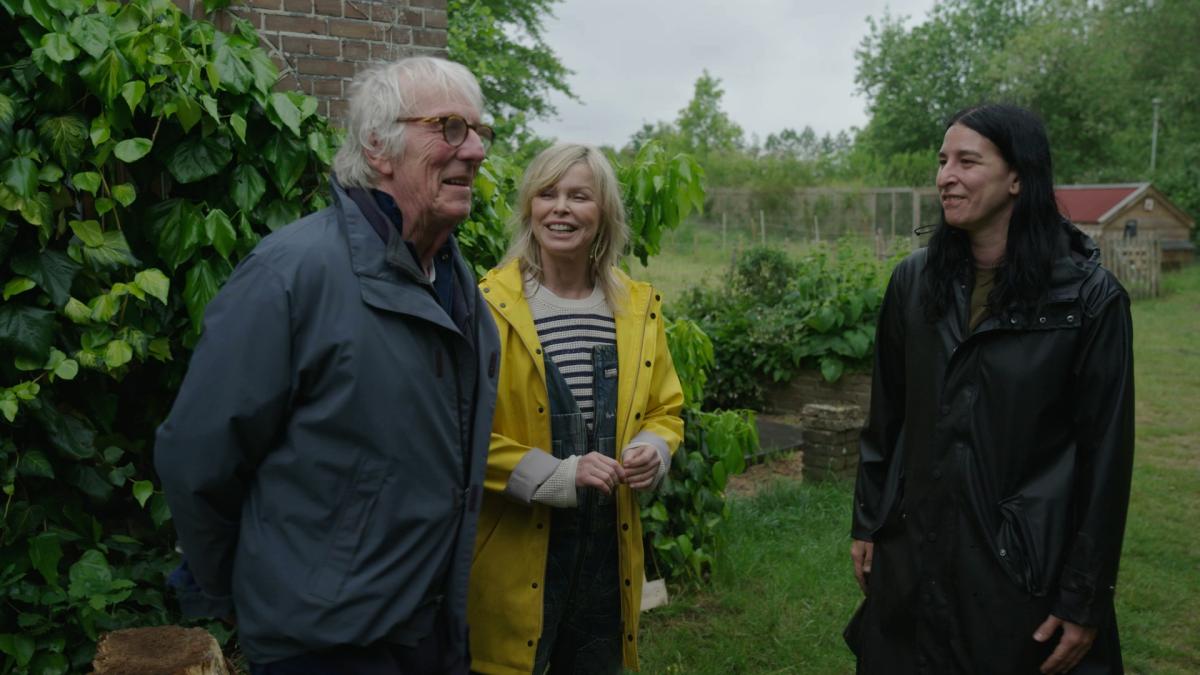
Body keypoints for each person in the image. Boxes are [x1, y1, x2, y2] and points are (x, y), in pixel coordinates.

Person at [154, 56, 500, 673]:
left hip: (429, 630)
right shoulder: (290, 274)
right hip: (320, 644)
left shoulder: (457, 283)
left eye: (479, 132)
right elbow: (198, 456)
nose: (474, 150)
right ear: (378, 147)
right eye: (449, 128)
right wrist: (243, 593)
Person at [846, 103, 1135, 675]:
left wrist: (1084, 597)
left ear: (1017, 177)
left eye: (967, 161)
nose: (945, 175)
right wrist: (870, 523)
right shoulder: (914, 282)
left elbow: (1106, 460)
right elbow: (888, 419)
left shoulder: (1088, 300)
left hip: (1021, 570)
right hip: (916, 553)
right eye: (942, 160)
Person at [466, 143, 685, 674]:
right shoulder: (485, 308)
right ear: (529, 209)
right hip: (513, 557)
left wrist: (653, 450)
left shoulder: (637, 308)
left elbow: (666, 411)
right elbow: (458, 431)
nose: (560, 208)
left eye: (579, 196)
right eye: (547, 194)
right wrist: (557, 475)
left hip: (608, 564)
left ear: (603, 213)